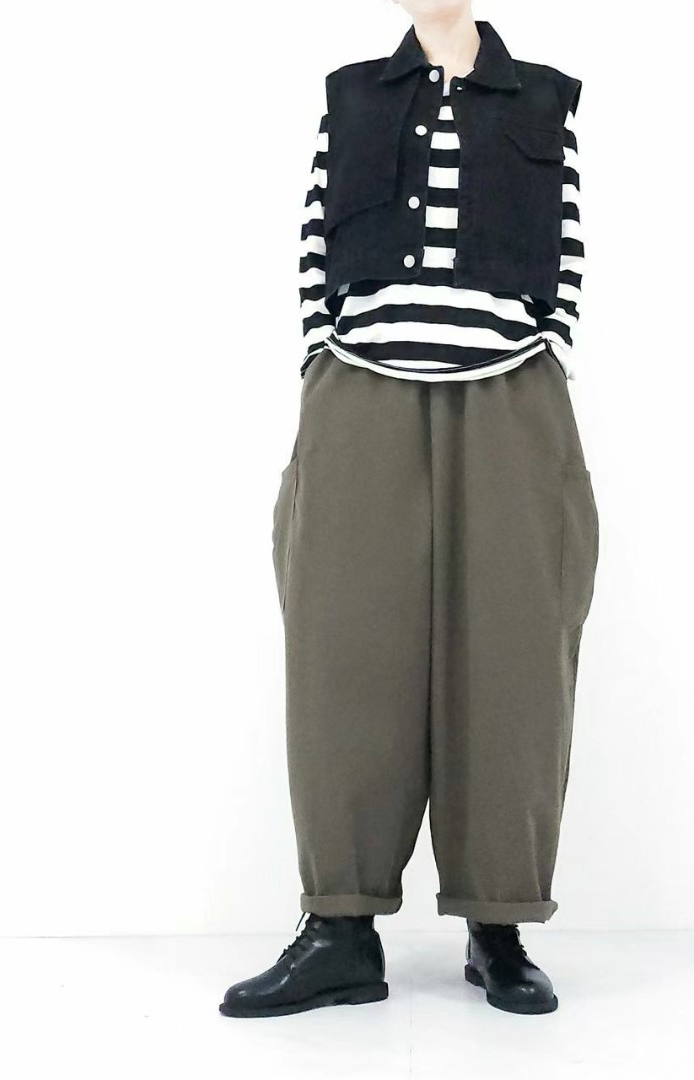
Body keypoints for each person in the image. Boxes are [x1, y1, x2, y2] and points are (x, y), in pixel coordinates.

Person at [220, 1, 597, 1018]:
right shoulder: (351, 97)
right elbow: (313, 242)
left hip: (509, 397)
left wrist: (545, 352)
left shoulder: (543, 100)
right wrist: (322, 357)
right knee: (343, 650)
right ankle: (339, 930)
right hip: (361, 390)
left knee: (513, 657)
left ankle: (497, 926)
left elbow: (566, 248)